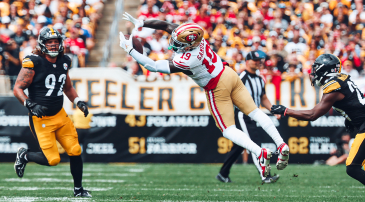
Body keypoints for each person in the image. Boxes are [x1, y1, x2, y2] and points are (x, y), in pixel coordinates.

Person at [120, 12, 290, 178]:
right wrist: (142, 23)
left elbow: (153, 66)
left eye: (179, 42)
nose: (174, 43)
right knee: (255, 112)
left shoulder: (186, 60)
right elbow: (165, 25)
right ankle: (281, 144)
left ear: (188, 44)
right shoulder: (197, 38)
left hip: (217, 86)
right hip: (229, 73)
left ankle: (259, 152)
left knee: (228, 129)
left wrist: (131, 51)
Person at [270, 54, 365, 202]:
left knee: (352, 168)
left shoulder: (333, 87)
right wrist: (351, 118)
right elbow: (354, 101)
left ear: (326, 70)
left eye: (317, 69)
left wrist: (286, 111)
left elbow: (313, 114)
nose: (314, 73)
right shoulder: (340, 79)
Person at [12, 27, 92, 197]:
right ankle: (25, 156)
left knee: (75, 150)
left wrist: (78, 101)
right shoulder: (33, 62)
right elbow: (18, 88)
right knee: (53, 160)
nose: (54, 45)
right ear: (42, 44)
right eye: (50, 42)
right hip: (41, 118)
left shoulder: (64, 61)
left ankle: (78, 190)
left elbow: (67, 87)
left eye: (56, 42)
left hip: (60, 115)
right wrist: (30, 104)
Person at [217, 51, 281, 184]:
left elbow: (263, 97)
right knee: (255, 143)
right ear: (247, 61)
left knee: (239, 146)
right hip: (243, 115)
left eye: (260, 60)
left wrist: (273, 109)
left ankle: (223, 174)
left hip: (253, 116)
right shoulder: (241, 78)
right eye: (255, 60)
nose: (258, 62)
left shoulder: (259, 78)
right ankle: (265, 175)